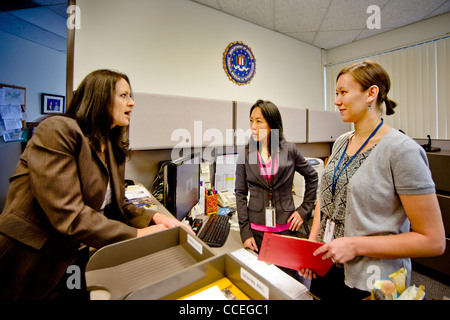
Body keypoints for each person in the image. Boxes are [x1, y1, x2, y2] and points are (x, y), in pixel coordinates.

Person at [0, 69, 191, 300]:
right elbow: (68, 214)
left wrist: (154, 217)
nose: (131, 103)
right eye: (123, 95)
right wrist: (138, 234)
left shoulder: (109, 145)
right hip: (32, 256)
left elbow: (114, 205)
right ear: (99, 97)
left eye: (131, 97)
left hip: (74, 254)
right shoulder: (58, 130)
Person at [299, 60, 445, 300]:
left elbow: (433, 240)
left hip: (371, 280)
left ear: (371, 94)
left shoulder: (401, 150)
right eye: (336, 93)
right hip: (326, 265)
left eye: (343, 92)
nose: (336, 101)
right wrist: (311, 246)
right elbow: (325, 201)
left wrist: (354, 245)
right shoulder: (340, 142)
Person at [235, 99, 318, 277]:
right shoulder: (246, 152)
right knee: (260, 283)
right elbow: (240, 193)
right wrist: (245, 232)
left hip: (286, 230)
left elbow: (312, 176)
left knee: (287, 283)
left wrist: (304, 210)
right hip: (256, 232)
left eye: (259, 121)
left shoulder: (289, 150)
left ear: (272, 125)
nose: (253, 127)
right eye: (251, 120)